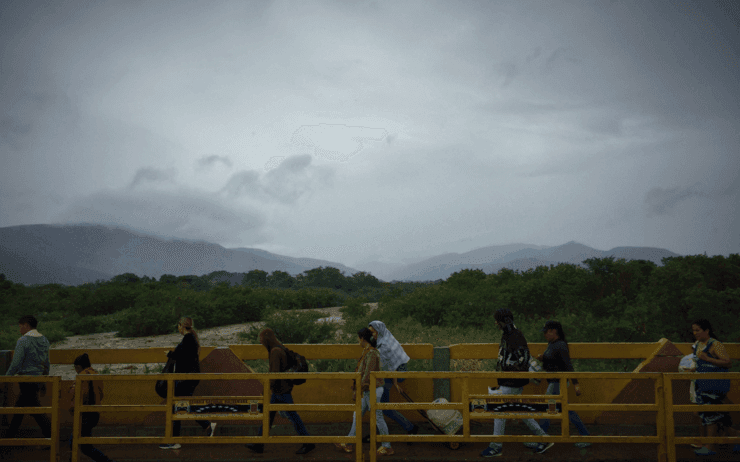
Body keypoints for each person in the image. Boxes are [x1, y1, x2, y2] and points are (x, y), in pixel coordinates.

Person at [480, 309, 553, 458]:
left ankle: (495, 446)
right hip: (510, 381)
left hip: (512, 382)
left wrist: (509, 374)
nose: (496, 323)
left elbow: (523, 359)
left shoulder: (514, 336)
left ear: (504, 321)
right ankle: (543, 438)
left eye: (497, 320)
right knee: (520, 411)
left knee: (499, 410)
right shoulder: (510, 335)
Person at [246, 328, 315, 455]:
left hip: (281, 391)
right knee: (269, 416)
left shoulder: (275, 352)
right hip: (281, 390)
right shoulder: (279, 348)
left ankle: (308, 442)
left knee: (293, 416)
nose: (260, 342)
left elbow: (274, 375)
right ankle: (259, 443)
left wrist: (265, 389)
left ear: (266, 338)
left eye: (261, 339)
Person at [335, 328, 393, 456]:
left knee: (377, 417)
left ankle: (387, 446)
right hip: (368, 390)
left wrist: (358, 390)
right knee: (358, 416)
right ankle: (349, 442)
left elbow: (367, 376)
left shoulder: (371, 353)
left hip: (370, 390)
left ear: (362, 338)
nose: (358, 341)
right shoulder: (368, 352)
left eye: (358, 338)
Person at [159, 317, 216, 450]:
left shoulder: (188, 339)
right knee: (181, 405)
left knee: (177, 405)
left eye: (178, 326)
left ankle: (174, 440)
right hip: (189, 378)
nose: (178, 329)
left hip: (186, 378)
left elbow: (182, 357)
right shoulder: (191, 339)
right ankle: (206, 425)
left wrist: (169, 354)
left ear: (181, 326)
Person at [534, 320, 591, 448]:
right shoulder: (552, 344)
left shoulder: (560, 345)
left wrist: (576, 384)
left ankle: (541, 439)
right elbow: (554, 359)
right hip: (555, 383)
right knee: (567, 410)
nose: (544, 335)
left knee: (547, 409)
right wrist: (543, 358)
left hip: (557, 384)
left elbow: (568, 365)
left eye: (546, 332)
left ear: (554, 331)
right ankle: (586, 436)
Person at [690, 319, 739, 456]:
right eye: (694, 330)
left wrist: (708, 359)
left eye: (698, 330)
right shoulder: (698, 344)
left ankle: (710, 447)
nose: (695, 333)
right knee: (715, 417)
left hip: (715, 385)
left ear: (707, 330)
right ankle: (737, 439)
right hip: (702, 385)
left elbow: (727, 362)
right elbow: (700, 363)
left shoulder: (715, 344)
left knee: (712, 415)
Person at [367, 321, 419, 443]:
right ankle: (379, 432)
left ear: (378, 331)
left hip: (395, 373)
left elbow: (390, 367)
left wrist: (395, 383)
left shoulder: (383, 345)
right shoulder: (386, 334)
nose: (372, 335)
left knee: (383, 406)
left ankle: (410, 427)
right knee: (381, 405)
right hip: (400, 369)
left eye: (373, 332)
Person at [3, 315, 52, 441]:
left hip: (26, 379)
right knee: (24, 407)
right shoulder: (44, 340)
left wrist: (5, 378)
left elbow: (16, 363)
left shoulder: (23, 341)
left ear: (26, 325)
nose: (19, 330)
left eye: (20, 327)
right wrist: (44, 378)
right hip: (38, 379)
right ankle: (10, 436)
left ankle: (51, 434)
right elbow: (46, 362)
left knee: (31, 408)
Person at [68, 353, 116, 462]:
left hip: (84, 414)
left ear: (79, 367)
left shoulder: (82, 376)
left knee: (80, 445)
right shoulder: (95, 374)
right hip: (94, 413)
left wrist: (73, 408)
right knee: (79, 443)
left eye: (76, 368)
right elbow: (101, 394)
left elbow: (81, 395)